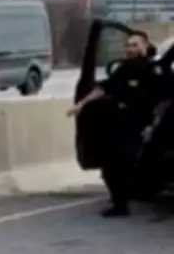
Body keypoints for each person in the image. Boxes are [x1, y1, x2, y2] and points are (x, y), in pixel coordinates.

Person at [67, 30, 158, 217]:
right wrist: (82, 105)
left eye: (135, 45)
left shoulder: (154, 71)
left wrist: (152, 126)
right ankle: (119, 204)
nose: (130, 49)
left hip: (145, 125)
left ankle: (138, 190)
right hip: (124, 124)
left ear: (145, 46)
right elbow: (103, 88)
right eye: (128, 45)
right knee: (110, 163)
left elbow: (163, 100)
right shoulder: (123, 69)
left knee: (126, 160)